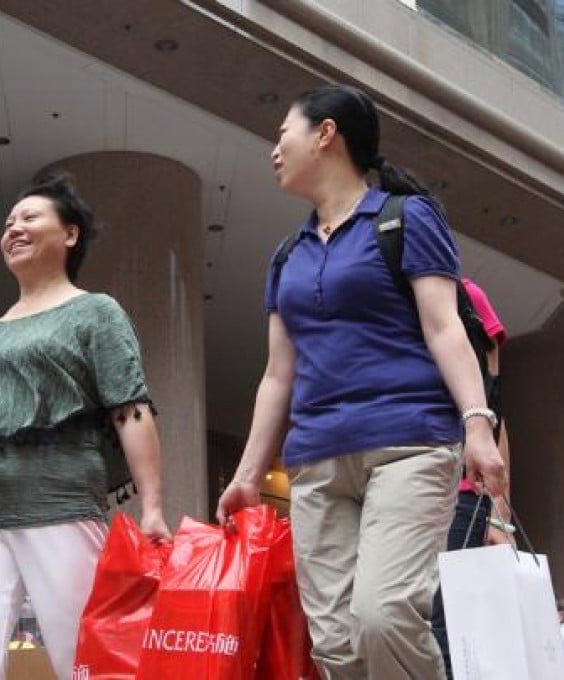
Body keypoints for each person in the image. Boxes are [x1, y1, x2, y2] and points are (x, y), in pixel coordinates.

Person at [216, 84, 506, 680]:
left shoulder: (404, 219)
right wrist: (248, 476)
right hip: (317, 462)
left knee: (384, 615)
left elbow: (445, 328)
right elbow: (278, 375)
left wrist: (477, 424)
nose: (274, 150)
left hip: (409, 443)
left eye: (283, 134)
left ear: (326, 134)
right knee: (337, 647)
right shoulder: (287, 256)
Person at [0, 173, 171, 680]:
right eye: (9, 223)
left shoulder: (96, 312)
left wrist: (154, 508)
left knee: (86, 661)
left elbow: (130, 409)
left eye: (30, 218)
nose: (15, 229)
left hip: (62, 502)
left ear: (70, 235)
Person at [430, 277, 512, 677]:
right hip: (391, 484)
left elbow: (494, 412)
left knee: (444, 621)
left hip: (462, 492)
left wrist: (499, 511)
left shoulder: (466, 295)